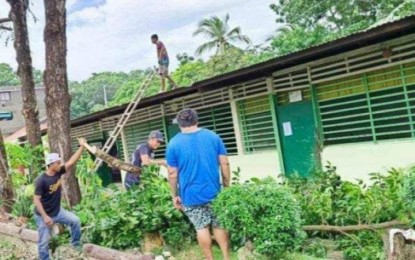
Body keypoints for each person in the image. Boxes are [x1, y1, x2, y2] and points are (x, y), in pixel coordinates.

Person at [166, 108, 231, 260]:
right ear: (197, 120)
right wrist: (227, 186)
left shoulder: (173, 143)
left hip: (190, 195)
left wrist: (174, 195)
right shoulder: (213, 137)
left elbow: (172, 173)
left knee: (201, 227)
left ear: (179, 124)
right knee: (219, 225)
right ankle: (227, 257)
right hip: (215, 191)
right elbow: (224, 163)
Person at [33, 138, 86, 260]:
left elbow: (71, 162)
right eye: (57, 162)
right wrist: (45, 217)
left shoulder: (58, 172)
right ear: (51, 164)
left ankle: (75, 244)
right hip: (43, 215)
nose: (60, 164)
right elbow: (36, 200)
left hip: (57, 211)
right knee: (44, 241)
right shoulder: (41, 180)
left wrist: (81, 147)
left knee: (75, 221)